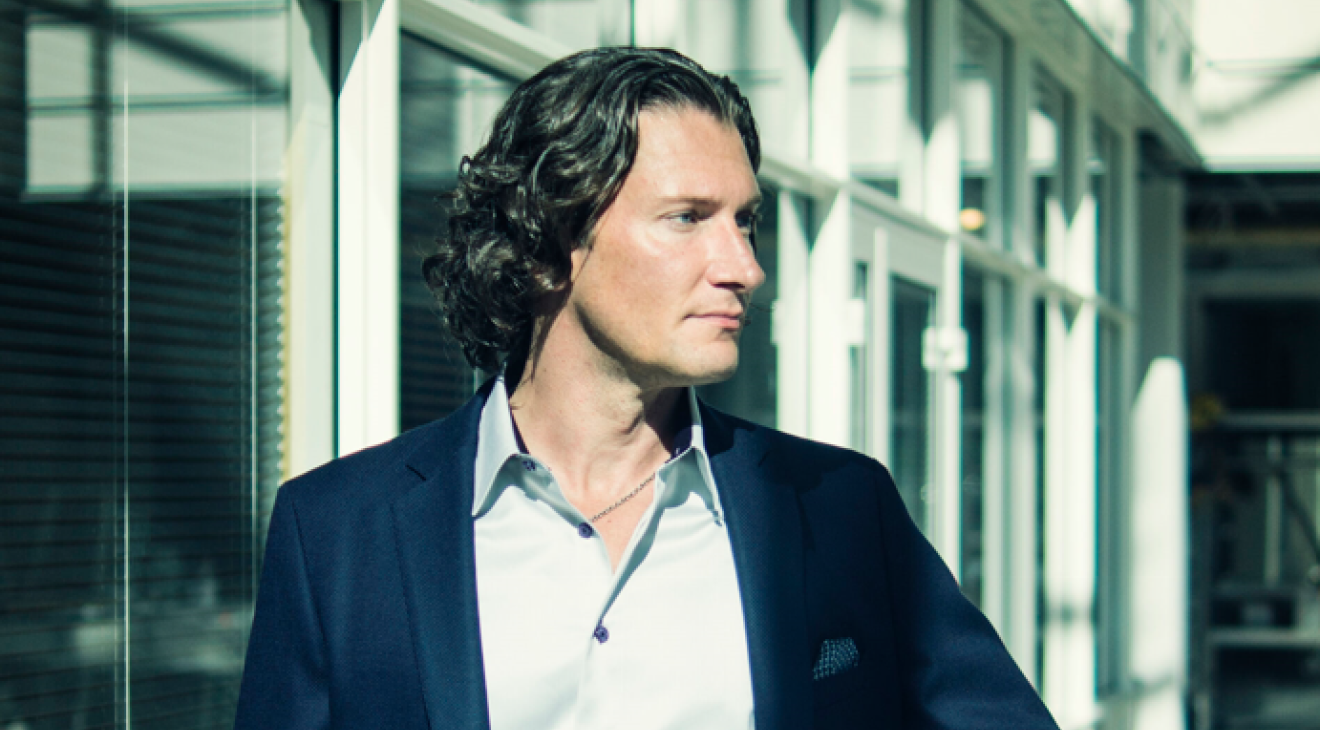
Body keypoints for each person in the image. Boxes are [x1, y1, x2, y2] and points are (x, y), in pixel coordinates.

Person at [235, 47, 1059, 730]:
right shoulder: (337, 530)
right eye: (688, 217)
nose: (744, 267)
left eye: (745, 220)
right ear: (549, 241)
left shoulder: (842, 504)